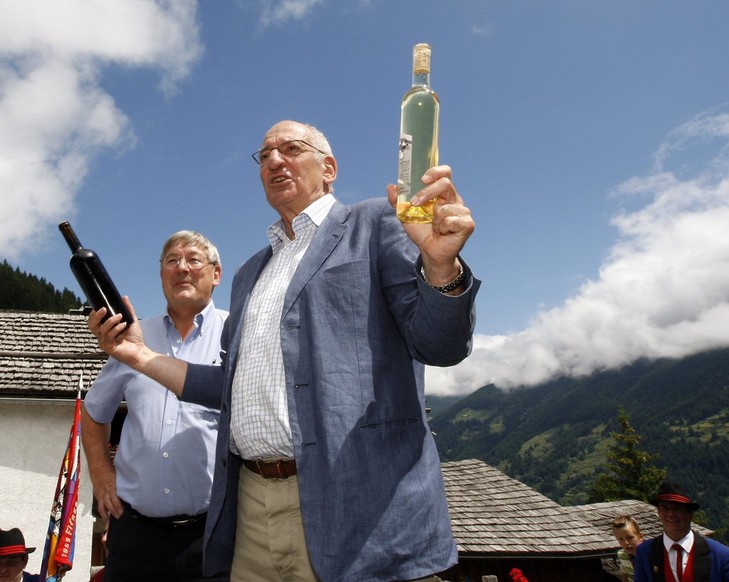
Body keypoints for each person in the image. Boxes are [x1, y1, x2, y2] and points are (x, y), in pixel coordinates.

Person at [89, 120, 479, 581]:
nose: (274, 159)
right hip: (252, 508)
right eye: (265, 154)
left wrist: (441, 268)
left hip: (358, 504)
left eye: (291, 148)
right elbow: (229, 390)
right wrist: (139, 357)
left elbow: (440, 344)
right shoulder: (249, 273)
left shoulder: (376, 222)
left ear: (328, 168)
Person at [82, 230, 229, 580]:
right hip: (135, 534)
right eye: (171, 261)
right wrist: (102, 474)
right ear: (160, 272)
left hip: (211, 534)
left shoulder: (235, 331)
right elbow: (93, 413)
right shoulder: (132, 336)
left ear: (216, 273)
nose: (182, 268)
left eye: (193, 259)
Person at [634, 482, 729, 581]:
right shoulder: (645, 552)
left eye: (677, 508)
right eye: (665, 508)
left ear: (690, 514)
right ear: (658, 512)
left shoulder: (721, 555)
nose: (670, 514)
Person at [612, 515, 644, 582]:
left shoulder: (650, 554)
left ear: (640, 537)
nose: (626, 542)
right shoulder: (622, 555)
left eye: (630, 538)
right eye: (621, 539)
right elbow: (624, 575)